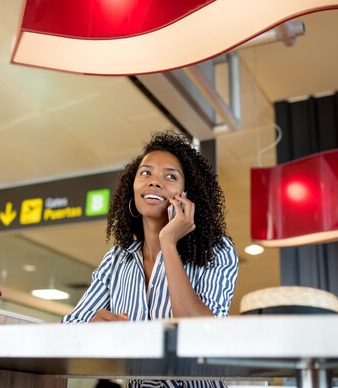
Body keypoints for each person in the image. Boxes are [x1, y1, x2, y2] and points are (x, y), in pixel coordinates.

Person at [62, 131, 239, 388]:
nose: (154, 182)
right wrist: (91, 326)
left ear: (188, 195)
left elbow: (202, 334)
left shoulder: (217, 251)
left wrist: (168, 243)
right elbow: (67, 331)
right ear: (132, 188)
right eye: (146, 173)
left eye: (170, 176)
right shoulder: (117, 260)